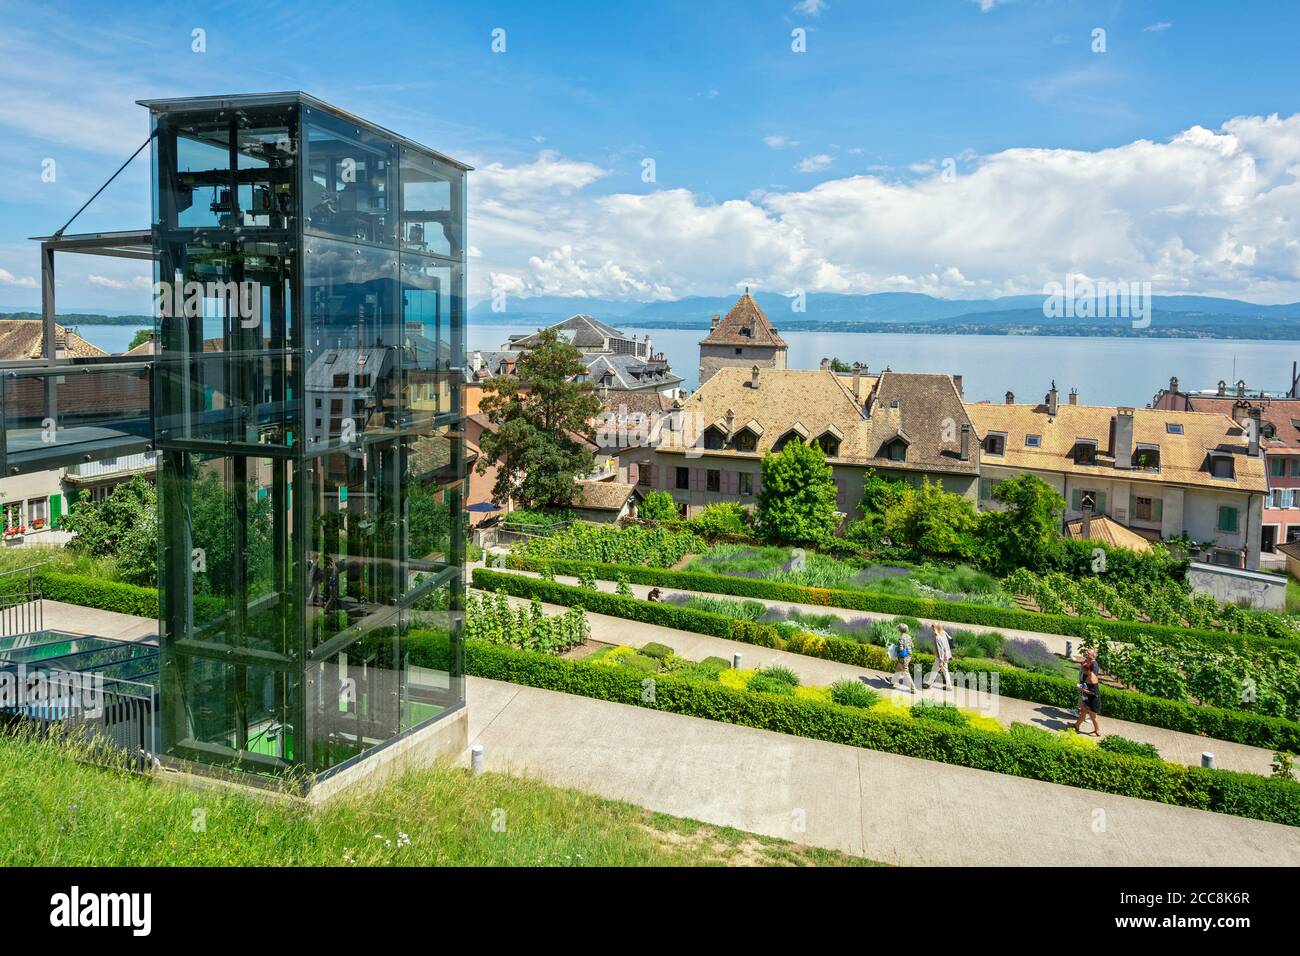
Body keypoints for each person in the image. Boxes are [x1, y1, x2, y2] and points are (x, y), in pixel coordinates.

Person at [1074, 648, 1103, 736]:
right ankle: (1076, 726)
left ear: (1088, 670)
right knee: (1083, 712)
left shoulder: (1092, 678)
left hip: (1093, 700)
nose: (1082, 670)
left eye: (1083, 669)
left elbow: (1093, 692)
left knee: (1093, 717)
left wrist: (1083, 690)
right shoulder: (1088, 676)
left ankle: (1097, 731)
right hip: (1088, 698)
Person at [923, 621, 954, 691]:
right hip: (947, 655)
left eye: (933, 628)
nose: (932, 630)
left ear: (935, 628)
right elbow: (950, 639)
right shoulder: (944, 632)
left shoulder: (937, 637)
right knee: (945, 671)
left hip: (941, 658)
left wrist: (940, 661)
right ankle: (949, 686)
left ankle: (929, 684)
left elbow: (940, 650)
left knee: (934, 670)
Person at [890, 623, 919, 693]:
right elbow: (912, 646)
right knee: (898, 668)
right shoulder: (909, 637)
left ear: (900, 630)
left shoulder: (901, 638)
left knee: (905, 671)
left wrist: (894, 648)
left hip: (903, 657)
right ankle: (893, 681)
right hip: (909, 655)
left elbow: (900, 648)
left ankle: (913, 688)